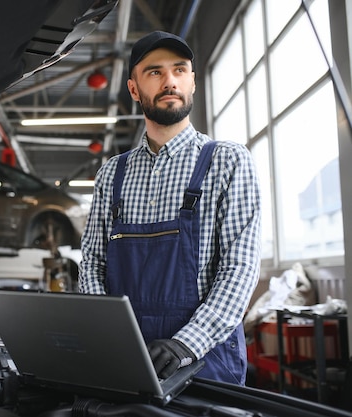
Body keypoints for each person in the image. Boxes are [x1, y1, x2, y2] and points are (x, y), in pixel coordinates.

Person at [78, 31, 261, 385]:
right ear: (134, 89)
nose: (170, 81)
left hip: (205, 359)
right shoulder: (112, 173)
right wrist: (108, 338)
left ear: (192, 81)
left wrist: (184, 345)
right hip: (126, 357)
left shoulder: (227, 162)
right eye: (154, 72)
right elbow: (92, 264)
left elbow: (240, 269)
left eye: (180, 70)